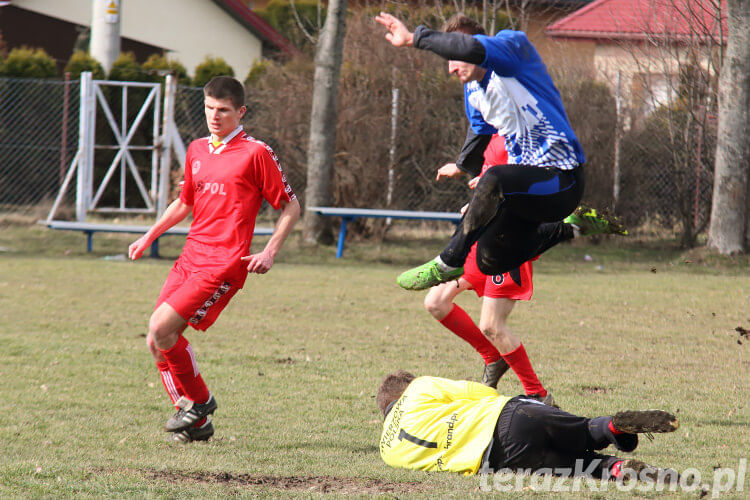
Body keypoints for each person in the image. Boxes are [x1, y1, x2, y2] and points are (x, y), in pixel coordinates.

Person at [375, 13, 625, 291]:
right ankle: (572, 227)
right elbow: (480, 131)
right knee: (490, 258)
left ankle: (447, 261)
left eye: (453, 57)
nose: (450, 69)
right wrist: (466, 171)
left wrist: (414, 38)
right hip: (525, 189)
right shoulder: (473, 92)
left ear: (471, 44)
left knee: (493, 178)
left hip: (562, 180)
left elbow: (469, 49)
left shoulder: (513, 49)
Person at [128, 76, 300, 443]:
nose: (214, 116)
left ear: (240, 112)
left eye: (223, 110)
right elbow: (185, 204)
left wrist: (270, 251)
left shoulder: (256, 153)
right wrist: (148, 235)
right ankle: (193, 419)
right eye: (208, 108)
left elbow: (291, 205)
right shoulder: (196, 149)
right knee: (155, 340)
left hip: (223, 262)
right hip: (191, 256)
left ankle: (201, 402)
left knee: (161, 328)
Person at [377, 371, 680, 481]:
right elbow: (485, 393)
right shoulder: (420, 387)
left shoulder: (386, 452)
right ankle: (612, 429)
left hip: (498, 458)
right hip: (509, 415)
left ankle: (616, 468)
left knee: (580, 467)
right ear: (407, 386)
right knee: (586, 431)